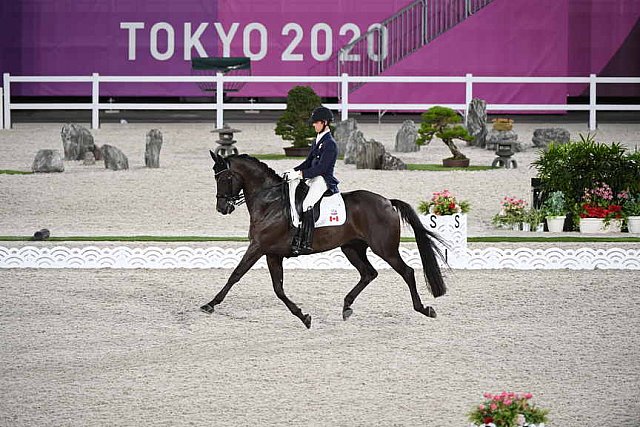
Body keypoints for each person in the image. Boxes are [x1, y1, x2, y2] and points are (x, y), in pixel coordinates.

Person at [283, 106, 339, 255]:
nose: (313, 125)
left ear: (324, 123)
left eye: (316, 122)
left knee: (307, 203)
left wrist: (300, 174)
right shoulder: (318, 141)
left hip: (323, 179)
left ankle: (306, 241)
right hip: (313, 177)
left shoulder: (330, 144)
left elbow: (322, 168)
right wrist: (293, 171)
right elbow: (308, 162)